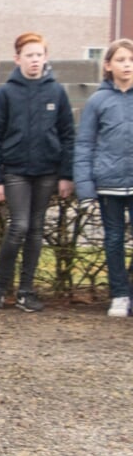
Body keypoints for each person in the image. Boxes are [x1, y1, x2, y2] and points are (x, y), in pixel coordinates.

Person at [0, 32, 75, 312]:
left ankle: (26, 291)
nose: (34, 60)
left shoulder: (56, 92)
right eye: (29, 55)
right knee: (18, 226)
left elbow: (68, 134)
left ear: (45, 58)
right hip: (16, 172)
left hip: (47, 172)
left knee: (35, 230)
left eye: (39, 55)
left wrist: (65, 175)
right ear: (18, 58)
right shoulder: (6, 93)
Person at [74, 38, 133, 317]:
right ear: (108, 65)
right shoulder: (98, 101)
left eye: (131, 60)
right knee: (114, 241)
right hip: (109, 184)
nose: (127, 65)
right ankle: (119, 294)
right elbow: (84, 144)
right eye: (121, 60)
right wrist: (86, 189)